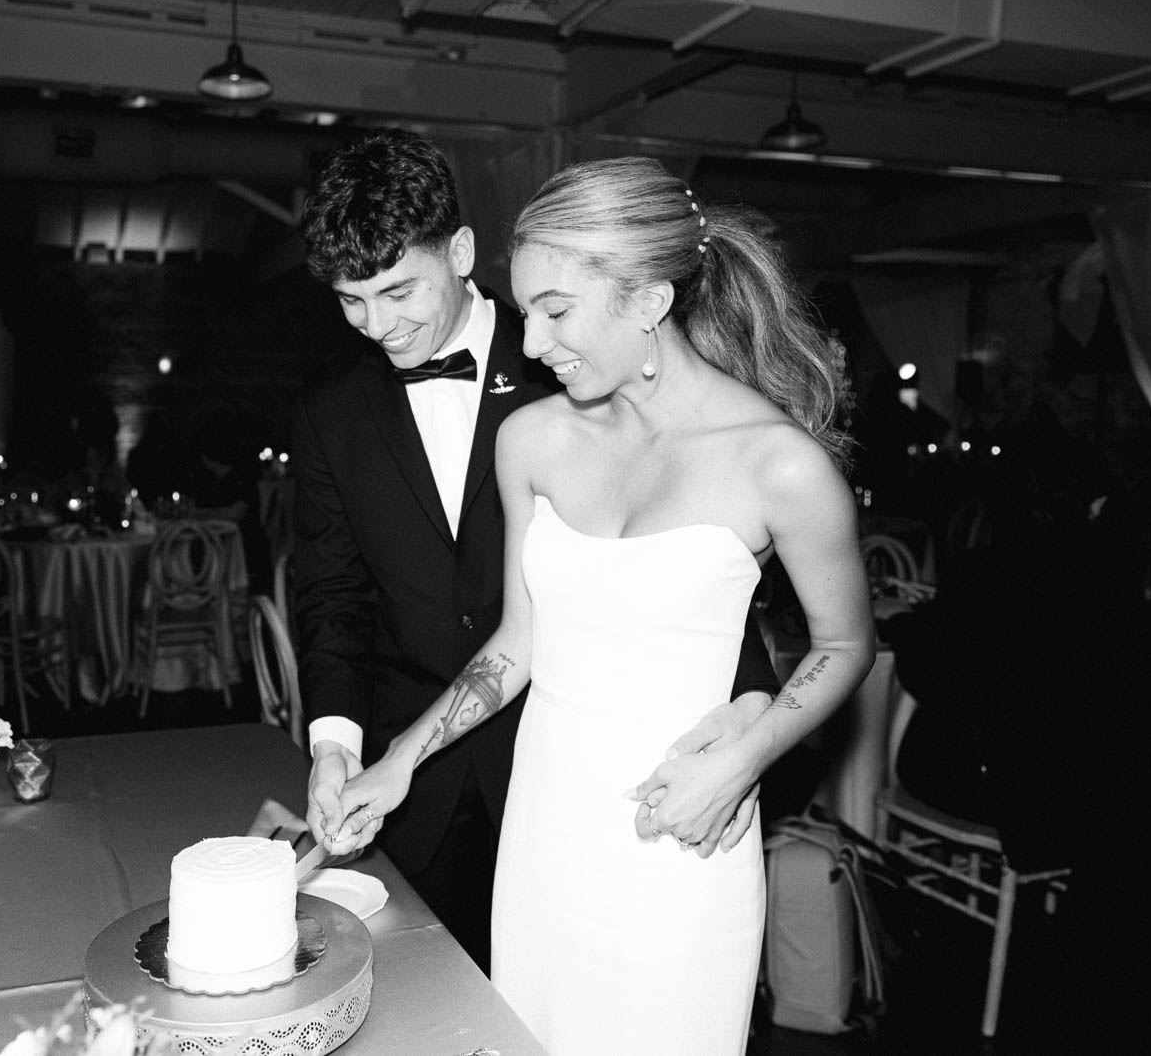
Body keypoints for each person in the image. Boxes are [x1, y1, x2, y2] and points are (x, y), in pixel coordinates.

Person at [327, 156, 876, 1054]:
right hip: (545, 834)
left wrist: (751, 749)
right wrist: (398, 760)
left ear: (650, 300)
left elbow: (846, 641)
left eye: (556, 310)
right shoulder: (531, 439)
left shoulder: (780, 464)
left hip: (679, 836)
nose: (532, 343)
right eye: (527, 309)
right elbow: (518, 640)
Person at [293, 131, 781, 974]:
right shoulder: (330, 412)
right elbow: (331, 592)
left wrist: (748, 717)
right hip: (414, 776)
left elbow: (696, 543)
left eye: (398, 290)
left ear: (461, 250)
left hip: (587, 764)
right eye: (351, 300)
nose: (377, 325)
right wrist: (336, 741)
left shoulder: (578, 353)